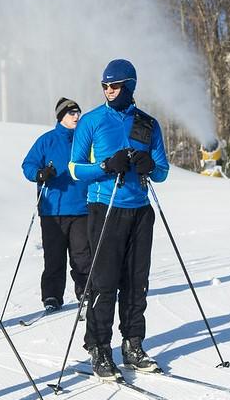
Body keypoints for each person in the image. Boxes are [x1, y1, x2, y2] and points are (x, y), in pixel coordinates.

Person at [69, 59, 170, 381]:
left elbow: (163, 171)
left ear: (130, 86)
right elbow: (74, 169)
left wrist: (147, 165)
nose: (108, 91)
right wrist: (105, 166)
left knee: (136, 282)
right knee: (104, 282)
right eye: (104, 86)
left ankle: (133, 344)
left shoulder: (147, 123)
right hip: (104, 207)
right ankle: (99, 347)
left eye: (114, 86)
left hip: (140, 209)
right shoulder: (92, 121)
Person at [21, 97, 91, 312]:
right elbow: (28, 165)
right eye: (71, 113)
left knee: (82, 254)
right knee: (54, 255)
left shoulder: (85, 140)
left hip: (81, 208)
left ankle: (86, 291)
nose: (76, 116)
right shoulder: (47, 141)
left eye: (78, 112)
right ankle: (52, 296)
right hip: (53, 209)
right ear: (61, 117)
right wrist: (40, 174)